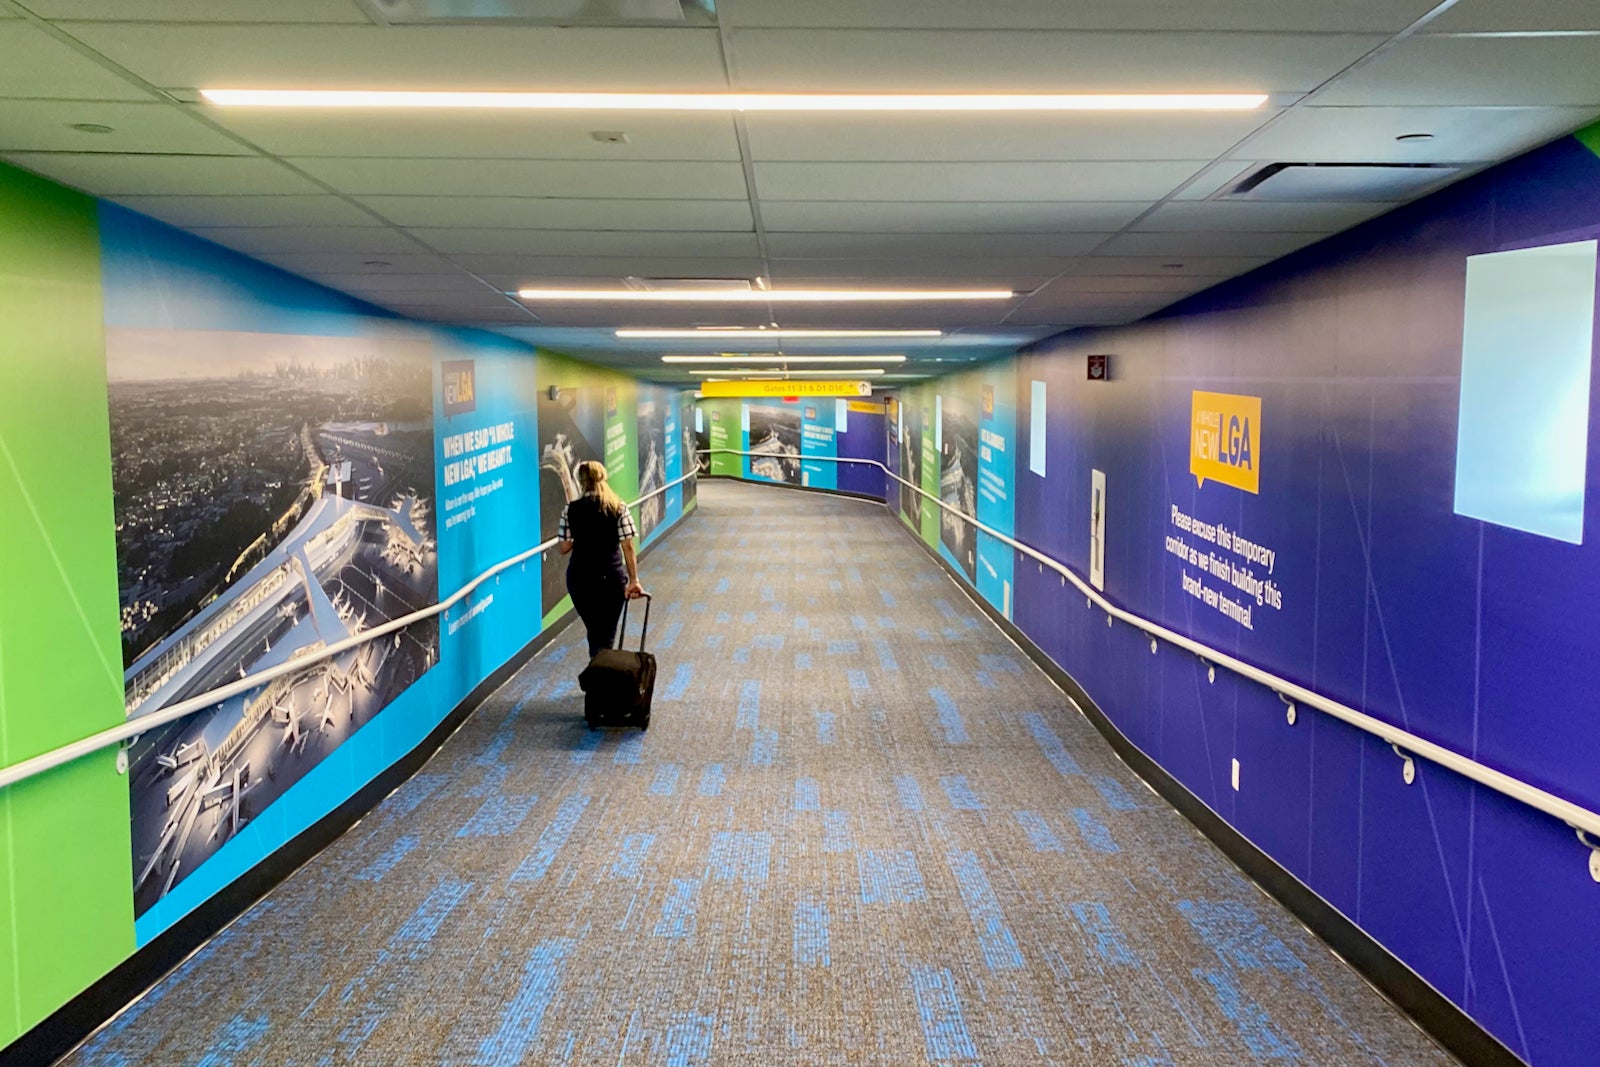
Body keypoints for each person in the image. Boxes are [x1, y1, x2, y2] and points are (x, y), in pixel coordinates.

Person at [557, 460, 646, 659]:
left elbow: (564, 547)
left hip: (580, 579)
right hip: (611, 579)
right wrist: (634, 581)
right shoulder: (618, 508)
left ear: (581, 482)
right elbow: (628, 546)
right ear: (603, 477)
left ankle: (598, 674)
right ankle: (603, 679)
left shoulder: (571, 509)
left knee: (594, 630)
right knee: (606, 634)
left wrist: (583, 533)